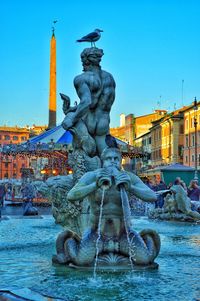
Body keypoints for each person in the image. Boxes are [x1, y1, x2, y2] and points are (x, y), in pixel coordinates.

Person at [62, 47, 116, 157]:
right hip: (103, 123)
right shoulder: (109, 77)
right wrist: (73, 108)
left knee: (83, 159)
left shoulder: (81, 78)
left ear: (85, 61)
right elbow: (96, 103)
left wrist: (71, 117)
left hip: (89, 122)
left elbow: (86, 102)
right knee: (106, 158)